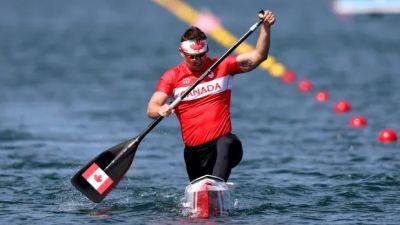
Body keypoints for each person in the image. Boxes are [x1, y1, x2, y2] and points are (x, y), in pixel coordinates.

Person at [147, 10, 276, 182]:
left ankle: (217, 186)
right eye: (192, 57)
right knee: (201, 206)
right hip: (194, 154)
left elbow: (259, 56)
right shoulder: (172, 77)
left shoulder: (223, 66)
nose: (198, 60)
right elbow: (152, 107)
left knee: (228, 141)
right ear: (182, 53)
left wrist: (265, 28)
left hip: (224, 148)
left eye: (201, 55)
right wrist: (161, 109)